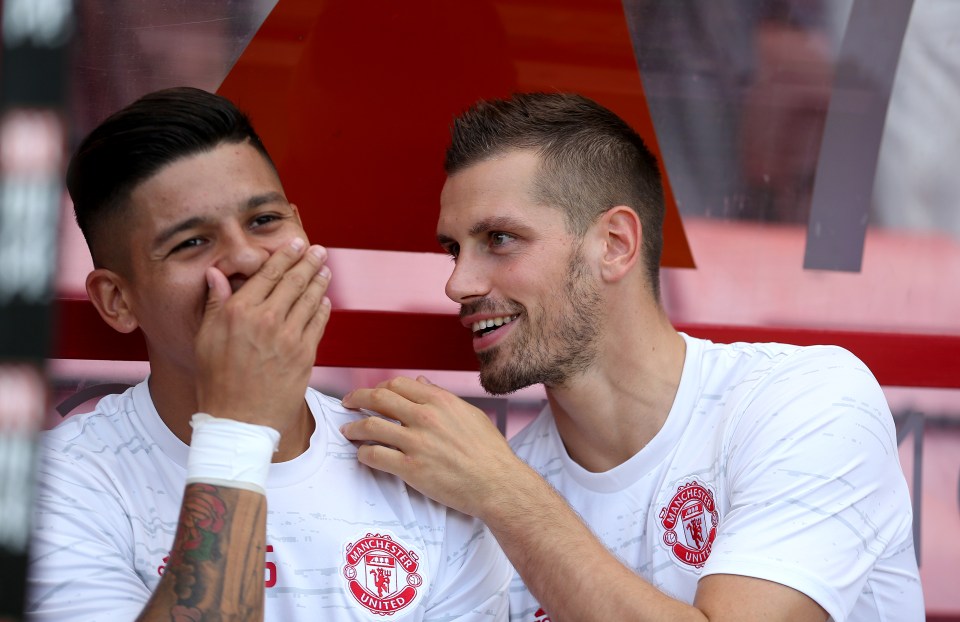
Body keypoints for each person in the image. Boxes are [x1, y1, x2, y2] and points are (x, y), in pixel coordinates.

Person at [339, 92, 925, 622]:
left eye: (499, 239)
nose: (458, 284)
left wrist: (504, 493)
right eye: (453, 249)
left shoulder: (806, 399)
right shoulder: (493, 485)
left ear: (615, 245)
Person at [27, 87, 511, 621]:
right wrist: (239, 422)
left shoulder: (417, 463)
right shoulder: (59, 483)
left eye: (264, 221)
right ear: (117, 301)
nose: (244, 257)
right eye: (191, 242)